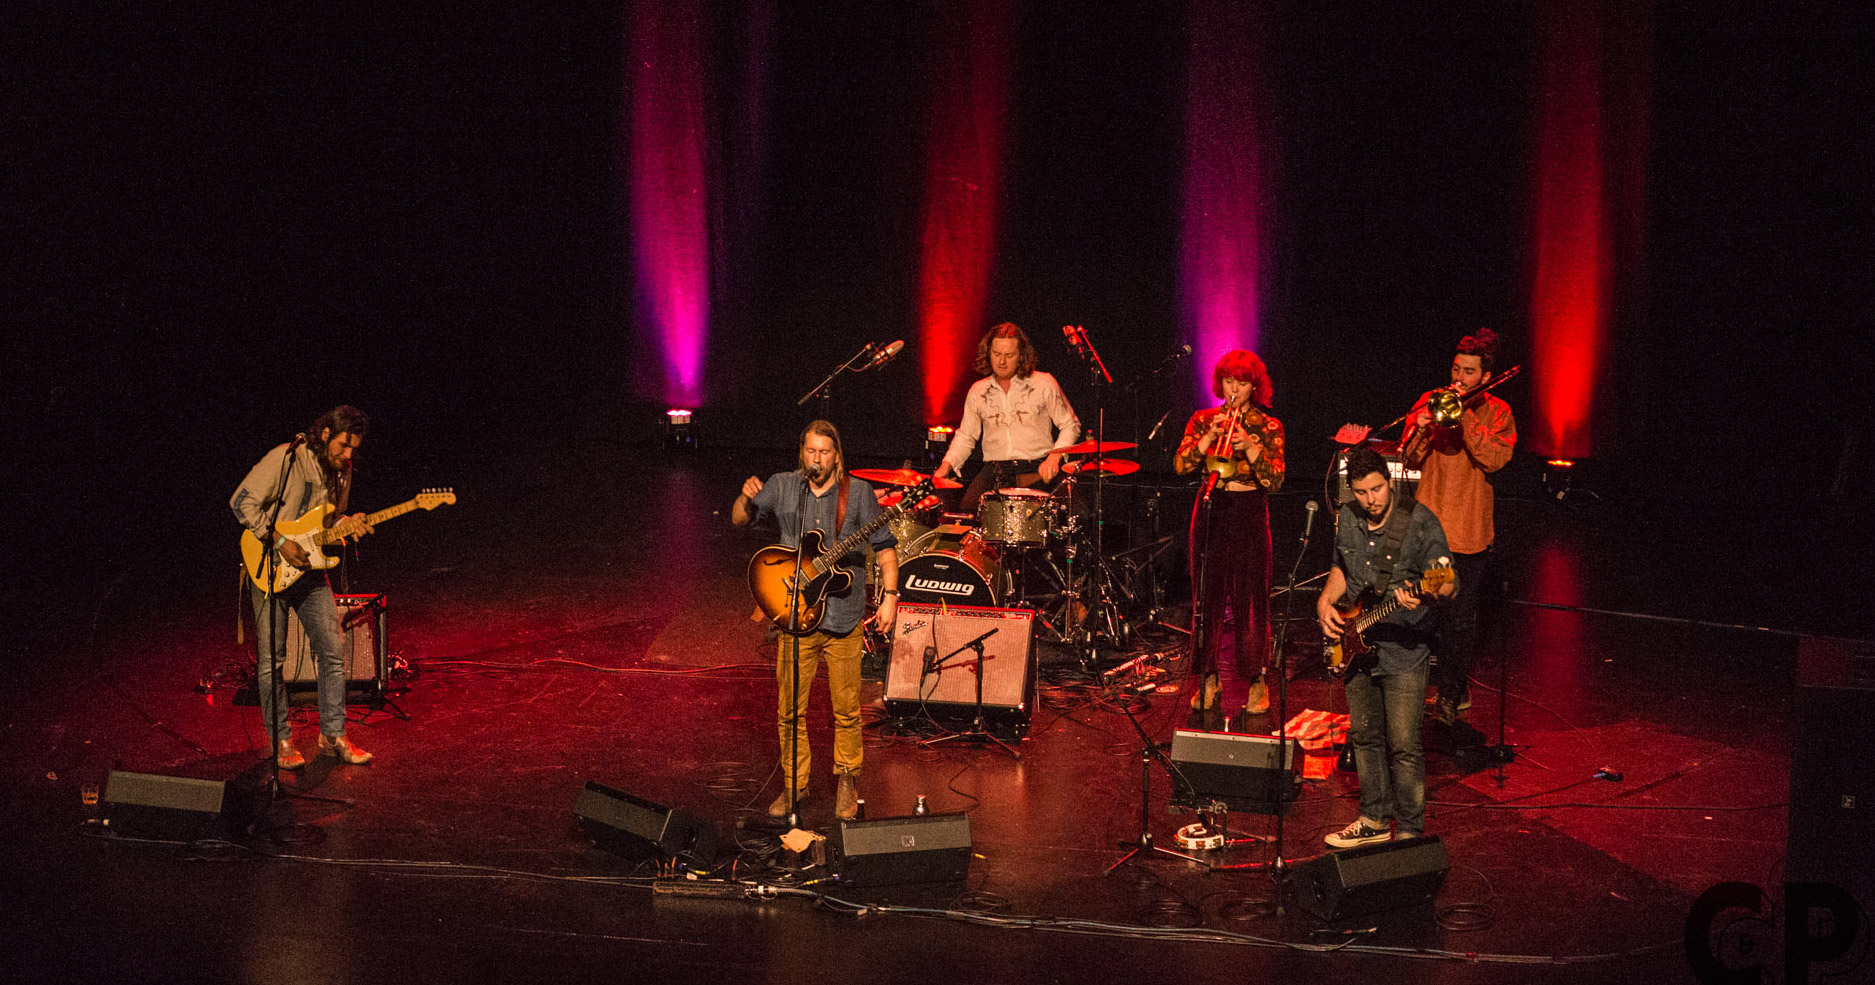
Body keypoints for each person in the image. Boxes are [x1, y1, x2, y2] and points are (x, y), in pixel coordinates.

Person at [733, 420, 899, 821]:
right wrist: (744, 495)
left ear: (837, 456)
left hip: (842, 617)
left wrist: (890, 598)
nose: (817, 459)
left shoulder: (857, 493)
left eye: (825, 452)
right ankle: (795, 784)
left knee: (846, 710)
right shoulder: (785, 485)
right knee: (789, 710)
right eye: (811, 451)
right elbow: (740, 519)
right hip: (794, 615)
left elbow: (886, 550)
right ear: (801, 453)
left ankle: (846, 779)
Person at [1318, 447, 1456, 848]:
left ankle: (1410, 829)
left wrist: (1430, 592)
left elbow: (1447, 581)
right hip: (1357, 640)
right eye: (1361, 492)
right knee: (1364, 736)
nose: (1370, 500)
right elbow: (1340, 567)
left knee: (1404, 745)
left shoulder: (1419, 522)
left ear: (1390, 481)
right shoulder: (1347, 517)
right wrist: (1326, 602)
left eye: (1377, 489)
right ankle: (1373, 819)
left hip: (1404, 651)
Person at [230, 405, 376, 770]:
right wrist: (279, 542)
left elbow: (327, 518)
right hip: (270, 566)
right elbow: (241, 502)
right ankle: (281, 741)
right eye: (344, 445)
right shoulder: (287, 458)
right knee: (272, 662)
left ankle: (332, 734)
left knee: (332, 650)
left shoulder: (343, 472)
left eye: (354, 448)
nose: (348, 454)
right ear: (326, 434)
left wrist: (347, 523)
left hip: (310, 570)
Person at [1401, 328, 1515, 725]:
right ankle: (1415, 690)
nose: (1459, 377)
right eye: (1456, 368)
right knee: (1423, 614)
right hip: (1428, 528)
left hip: (1468, 532)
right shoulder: (1429, 401)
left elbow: (1495, 460)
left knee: (1459, 620)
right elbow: (1411, 459)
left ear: (1485, 376)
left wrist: (1462, 417)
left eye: (1468, 371)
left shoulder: (1498, 412)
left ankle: (1450, 696)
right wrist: (1421, 426)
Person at [1174, 350, 1286, 720]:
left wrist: (1250, 447)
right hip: (1210, 510)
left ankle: (1257, 679)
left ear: (1255, 386)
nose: (1234, 389)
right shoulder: (1204, 418)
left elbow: (1275, 480)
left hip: (1250, 512)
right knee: (1205, 598)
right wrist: (1209, 438)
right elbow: (1180, 465)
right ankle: (1206, 678)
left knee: (1251, 602)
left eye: (1241, 382)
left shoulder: (1269, 426)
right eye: (1228, 381)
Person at [934, 323, 1081, 512]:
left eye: (1009, 355)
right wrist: (947, 464)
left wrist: (1054, 458)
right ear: (988, 353)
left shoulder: (1043, 383)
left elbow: (1071, 424)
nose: (1002, 362)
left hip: (1036, 467)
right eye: (996, 354)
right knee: (967, 510)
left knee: (1074, 512)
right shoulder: (978, 390)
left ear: (1021, 356)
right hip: (995, 471)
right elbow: (966, 436)